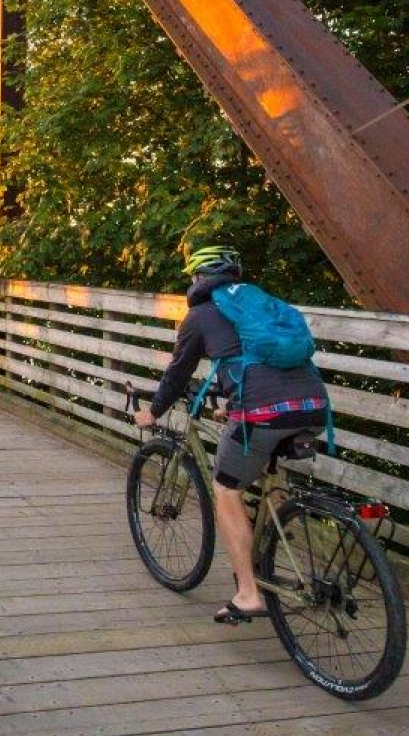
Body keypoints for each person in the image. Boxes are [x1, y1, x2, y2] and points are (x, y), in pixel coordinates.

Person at [133, 244, 329, 624]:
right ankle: (271, 547)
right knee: (269, 464)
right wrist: (231, 402)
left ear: (198, 279)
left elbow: (177, 374)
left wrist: (152, 412)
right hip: (313, 404)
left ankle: (248, 593)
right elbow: (258, 362)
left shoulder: (201, 315)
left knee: (226, 489)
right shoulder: (259, 305)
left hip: (262, 409)